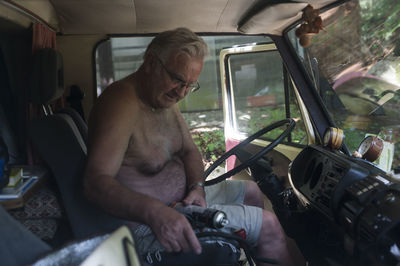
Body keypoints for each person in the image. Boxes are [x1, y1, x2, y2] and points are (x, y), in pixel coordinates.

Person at [83, 27, 297, 265]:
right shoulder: (120, 103)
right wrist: (156, 213)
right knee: (269, 226)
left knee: (253, 192)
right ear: (151, 62)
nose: (182, 92)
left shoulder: (164, 98)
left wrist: (197, 187)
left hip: (182, 200)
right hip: (146, 225)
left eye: (190, 85)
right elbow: (95, 184)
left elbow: (189, 151)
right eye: (177, 79)